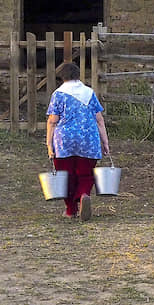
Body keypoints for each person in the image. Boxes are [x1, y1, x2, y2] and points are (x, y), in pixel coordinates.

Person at [45, 63, 110, 220]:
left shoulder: (58, 94)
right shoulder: (89, 93)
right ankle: (83, 195)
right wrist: (105, 142)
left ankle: (70, 210)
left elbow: (53, 121)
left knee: (65, 174)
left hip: (65, 140)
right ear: (78, 75)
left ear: (62, 77)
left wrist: (49, 143)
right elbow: (99, 120)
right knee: (85, 173)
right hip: (88, 139)